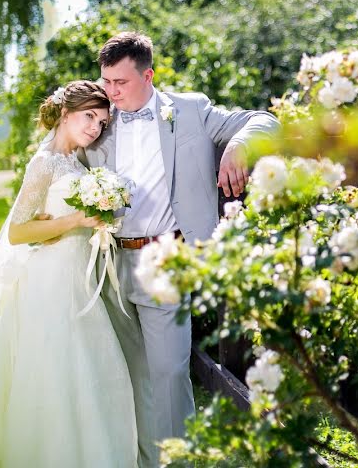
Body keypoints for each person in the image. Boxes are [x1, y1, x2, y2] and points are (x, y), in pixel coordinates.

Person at [84, 31, 279, 467]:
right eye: (106, 81)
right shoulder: (101, 118)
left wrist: (237, 146)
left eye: (121, 82)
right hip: (108, 262)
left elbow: (266, 120)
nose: (111, 91)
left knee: (170, 373)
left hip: (166, 259)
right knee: (129, 376)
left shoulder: (189, 110)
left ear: (148, 75)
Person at [0, 80, 136, 467]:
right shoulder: (44, 163)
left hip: (76, 276)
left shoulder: (77, 162)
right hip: (49, 282)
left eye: (102, 123)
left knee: (88, 370)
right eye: (89, 116)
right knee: (54, 370)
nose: (95, 128)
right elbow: (17, 231)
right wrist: (74, 219)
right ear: (65, 113)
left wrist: (93, 221)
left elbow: (55, 222)